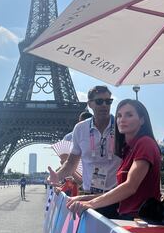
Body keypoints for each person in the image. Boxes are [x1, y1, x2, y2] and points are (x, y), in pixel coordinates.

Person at [67, 99, 161, 220]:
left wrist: (90, 203)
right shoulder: (128, 149)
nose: (122, 119)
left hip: (141, 219)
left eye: (129, 115)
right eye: (119, 116)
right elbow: (119, 192)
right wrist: (83, 198)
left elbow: (130, 187)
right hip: (129, 216)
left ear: (142, 120)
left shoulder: (145, 143)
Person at [48, 85, 121, 217]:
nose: (104, 105)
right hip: (90, 197)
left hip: (116, 197)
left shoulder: (120, 125)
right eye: (99, 101)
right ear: (90, 104)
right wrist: (57, 176)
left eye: (108, 101)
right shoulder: (80, 129)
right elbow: (71, 164)